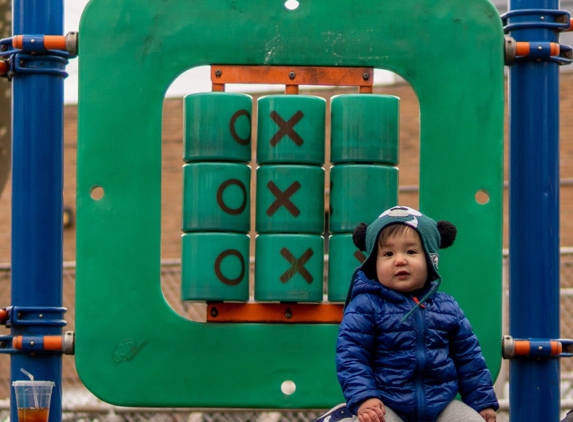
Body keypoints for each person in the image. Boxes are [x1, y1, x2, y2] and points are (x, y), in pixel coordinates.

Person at [334, 206, 498, 422]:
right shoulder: (366, 306)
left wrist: (481, 402)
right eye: (388, 254)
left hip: (440, 405)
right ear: (374, 264)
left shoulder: (447, 307)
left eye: (411, 252)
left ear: (430, 260)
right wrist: (365, 397)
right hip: (386, 403)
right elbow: (351, 356)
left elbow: (469, 359)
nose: (399, 260)